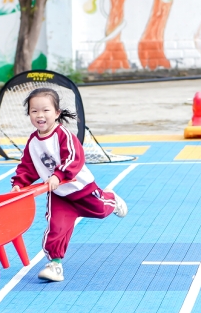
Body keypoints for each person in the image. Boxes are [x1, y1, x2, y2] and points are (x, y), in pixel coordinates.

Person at [10, 87, 127, 282]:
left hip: (81, 189)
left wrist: (58, 175)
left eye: (46, 110)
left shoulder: (63, 135)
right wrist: (19, 184)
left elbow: (73, 157)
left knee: (100, 210)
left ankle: (111, 199)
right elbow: (27, 166)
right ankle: (55, 264)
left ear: (56, 113)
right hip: (59, 196)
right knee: (55, 228)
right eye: (34, 111)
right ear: (29, 114)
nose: (40, 115)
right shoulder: (32, 142)